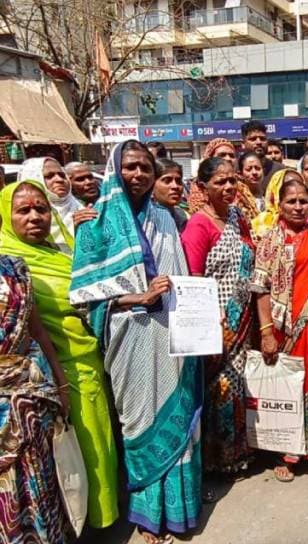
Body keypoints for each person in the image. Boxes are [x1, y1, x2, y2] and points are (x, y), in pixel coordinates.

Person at [68, 140, 203, 544]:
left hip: (169, 332)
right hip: (127, 337)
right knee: (138, 422)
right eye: (130, 167)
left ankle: (180, 508)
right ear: (114, 170)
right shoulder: (94, 223)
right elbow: (83, 299)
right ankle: (147, 515)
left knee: (176, 414)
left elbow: (180, 275)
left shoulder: (167, 217)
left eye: (145, 167)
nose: (139, 175)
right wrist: (136, 297)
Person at [3, 181, 120, 531]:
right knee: (59, 456)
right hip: (36, 378)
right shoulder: (8, 261)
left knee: (97, 445)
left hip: (84, 357)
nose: (35, 216)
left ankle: (101, 517)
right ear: (6, 217)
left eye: (41, 208)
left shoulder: (61, 252)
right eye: (23, 210)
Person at [252, 178, 308, 482]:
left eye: (303, 201)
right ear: (279, 204)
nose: (298, 206)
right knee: (288, 385)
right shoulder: (269, 240)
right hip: (283, 327)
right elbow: (260, 288)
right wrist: (265, 332)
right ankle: (286, 452)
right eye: (291, 201)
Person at [181, 157, 256, 475]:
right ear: (202, 187)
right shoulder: (199, 224)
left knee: (238, 386)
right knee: (219, 390)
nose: (228, 188)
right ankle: (215, 459)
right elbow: (193, 281)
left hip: (243, 319)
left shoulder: (239, 217)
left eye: (232, 181)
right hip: (216, 324)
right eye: (220, 182)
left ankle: (237, 451)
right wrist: (210, 325)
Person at [0, 254, 74, 543]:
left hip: (31, 400)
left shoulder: (14, 271)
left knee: (38, 486)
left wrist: (61, 384)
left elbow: (38, 330)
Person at [18, 157, 91, 254]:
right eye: (49, 176)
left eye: (62, 175)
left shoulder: (81, 208)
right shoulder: (23, 217)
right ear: (34, 178)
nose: (59, 180)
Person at [188, 138, 237, 214]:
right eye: (222, 155)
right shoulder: (199, 191)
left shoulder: (242, 188)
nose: (228, 158)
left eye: (232, 155)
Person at [241, 120, 282, 194]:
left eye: (262, 139)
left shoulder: (280, 170)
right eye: (253, 139)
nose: (259, 142)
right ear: (243, 144)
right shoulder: (234, 170)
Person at [153, 158, 189, 231]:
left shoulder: (183, 217)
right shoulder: (146, 221)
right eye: (167, 181)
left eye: (178, 181)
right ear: (151, 185)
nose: (175, 186)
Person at [235, 151, 264, 220]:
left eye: (258, 168)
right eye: (248, 169)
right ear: (240, 174)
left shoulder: (270, 196)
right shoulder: (238, 199)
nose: (254, 172)